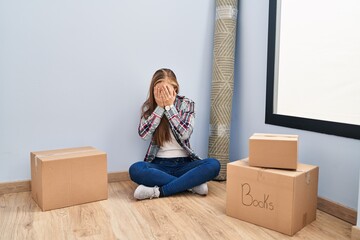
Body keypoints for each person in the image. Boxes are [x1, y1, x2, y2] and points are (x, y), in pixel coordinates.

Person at [129, 68, 220, 200]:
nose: (163, 95)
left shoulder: (187, 104)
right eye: (160, 91)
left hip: (185, 164)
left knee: (214, 164)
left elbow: (185, 134)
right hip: (159, 165)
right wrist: (160, 108)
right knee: (135, 169)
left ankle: (159, 191)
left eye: (167, 91)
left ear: (175, 89)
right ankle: (191, 185)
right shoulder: (148, 107)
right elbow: (144, 135)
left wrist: (169, 107)